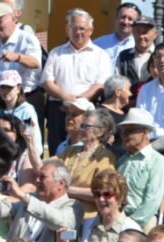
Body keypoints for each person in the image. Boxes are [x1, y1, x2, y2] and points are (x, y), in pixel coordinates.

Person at [41, 9, 111, 155]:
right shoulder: (56, 52)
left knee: (85, 150)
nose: (78, 32)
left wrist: (81, 100)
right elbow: (47, 81)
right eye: (74, 28)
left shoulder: (101, 55)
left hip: (87, 110)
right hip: (59, 108)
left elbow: (100, 84)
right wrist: (66, 97)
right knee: (57, 150)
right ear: (68, 29)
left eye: (82, 29)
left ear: (90, 30)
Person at [0, 160, 84, 242]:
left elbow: (61, 222)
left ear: (61, 184)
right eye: (37, 176)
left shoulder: (74, 206)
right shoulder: (30, 199)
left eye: (42, 177)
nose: (37, 180)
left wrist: (21, 195)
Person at [0, 3, 43, 118]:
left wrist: (18, 57)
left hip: (25, 100)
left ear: (13, 18)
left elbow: (36, 63)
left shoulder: (27, 38)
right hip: (3, 104)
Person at [116, 107, 164, 229]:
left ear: (145, 132)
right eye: (123, 131)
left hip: (142, 224)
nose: (124, 135)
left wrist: (131, 224)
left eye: (130, 131)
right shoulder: (122, 160)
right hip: (119, 220)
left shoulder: (157, 161)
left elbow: (152, 201)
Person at [76, 169, 142, 242]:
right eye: (97, 194)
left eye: (107, 194)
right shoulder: (87, 224)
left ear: (120, 196)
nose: (101, 199)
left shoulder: (132, 229)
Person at [61, 108, 117, 214]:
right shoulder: (70, 151)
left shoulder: (105, 158)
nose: (81, 130)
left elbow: (103, 193)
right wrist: (30, 141)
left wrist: (67, 190)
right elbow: (44, 167)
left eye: (86, 127)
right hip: (62, 212)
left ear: (100, 132)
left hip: (87, 217)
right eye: (81, 126)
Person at [116, 17, 156, 92]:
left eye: (145, 32)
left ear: (155, 34)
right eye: (137, 32)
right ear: (133, 33)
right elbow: (117, 82)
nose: (141, 36)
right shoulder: (123, 56)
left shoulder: (160, 55)